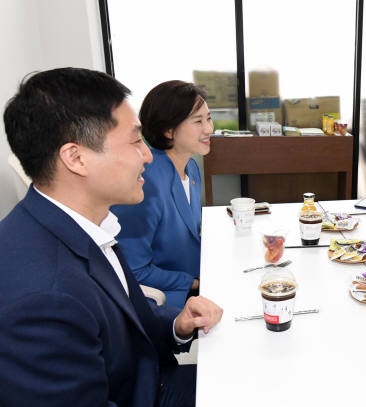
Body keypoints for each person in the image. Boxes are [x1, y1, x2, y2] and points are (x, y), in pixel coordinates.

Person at [0, 68, 223, 407]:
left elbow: (129, 315)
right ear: (76, 158)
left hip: (153, 378)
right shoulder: (44, 296)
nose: (148, 155)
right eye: (136, 141)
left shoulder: (88, 223)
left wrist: (177, 324)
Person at [112, 80, 213, 309]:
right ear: (168, 130)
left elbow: (191, 231)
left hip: (198, 272)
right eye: (198, 121)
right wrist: (193, 283)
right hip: (170, 298)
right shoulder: (145, 182)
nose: (209, 129)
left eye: (208, 118)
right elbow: (134, 270)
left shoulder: (191, 167)